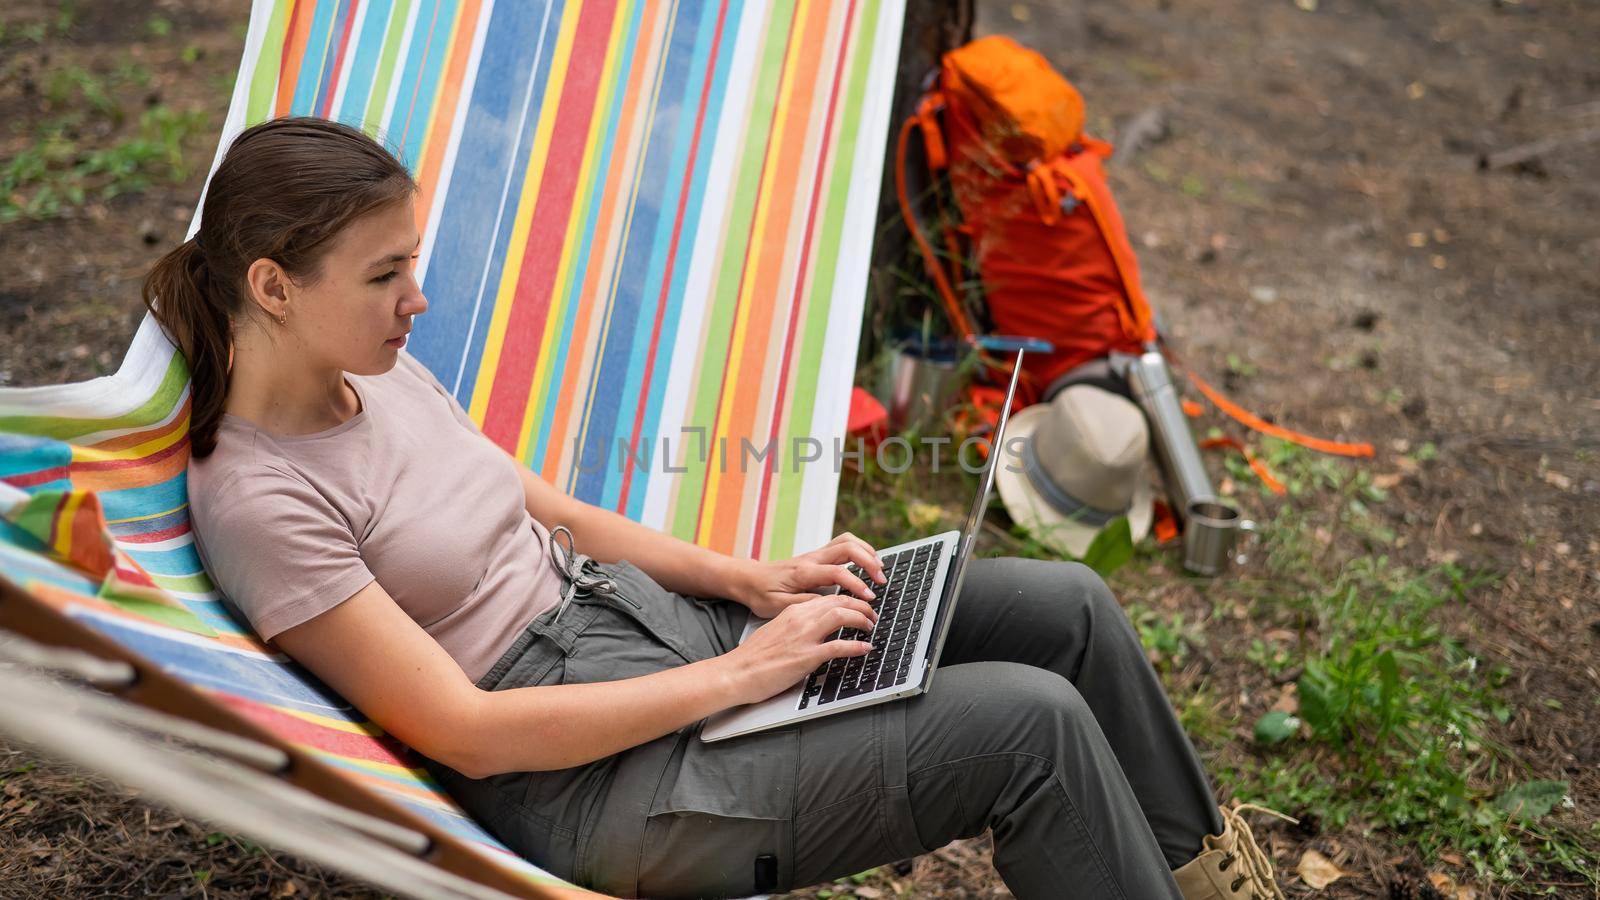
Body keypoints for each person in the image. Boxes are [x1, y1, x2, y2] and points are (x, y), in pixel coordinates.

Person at [153, 116, 1288, 900]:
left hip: (657, 641)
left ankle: (1203, 882)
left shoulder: (374, 367)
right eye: (385, 273)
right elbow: (464, 732)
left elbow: (539, 508)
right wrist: (750, 672)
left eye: (413, 261)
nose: (420, 295)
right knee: (1026, 725)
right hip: (599, 784)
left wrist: (747, 583)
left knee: (1066, 608)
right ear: (272, 286)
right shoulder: (260, 498)